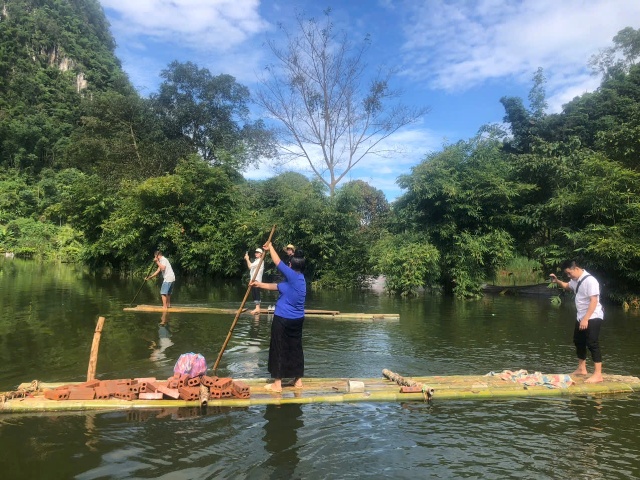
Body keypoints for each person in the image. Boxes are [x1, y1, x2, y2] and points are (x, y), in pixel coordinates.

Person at [251, 242, 306, 393]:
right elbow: (276, 286)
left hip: (283, 319)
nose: (287, 265)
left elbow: (277, 262)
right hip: (297, 319)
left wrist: (270, 248)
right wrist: (259, 284)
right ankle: (298, 380)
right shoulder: (300, 280)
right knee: (295, 348)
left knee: (278, 348)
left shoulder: (292, 275)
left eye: (289, 264)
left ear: (292, 266)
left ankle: (277, 384)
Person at [550, 260, 605, 383]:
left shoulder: (591, 281)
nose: (569, 276)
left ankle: (598, 374)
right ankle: (582, 369)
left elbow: (594, 301)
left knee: (592, 343)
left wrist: (586, 319)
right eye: (567, 274)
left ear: (575, 268)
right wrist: (557, 281)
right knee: (578, 341)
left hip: (593, 316)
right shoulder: (576, 280)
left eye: (569, 273)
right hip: (581, 316)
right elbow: (568, 286)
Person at [244, 247, 265, 315]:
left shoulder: (260, 260)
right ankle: (257, 307)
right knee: (254, 293)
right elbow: (251, 268)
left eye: (258, 252)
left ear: (261, 254)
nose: (256, 253)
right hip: (253, 279)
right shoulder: (256, 260)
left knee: (256, 292)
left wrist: (247, 259)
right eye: (256, 252)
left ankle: (258, 308)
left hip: (256, 279)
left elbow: (250, 265)